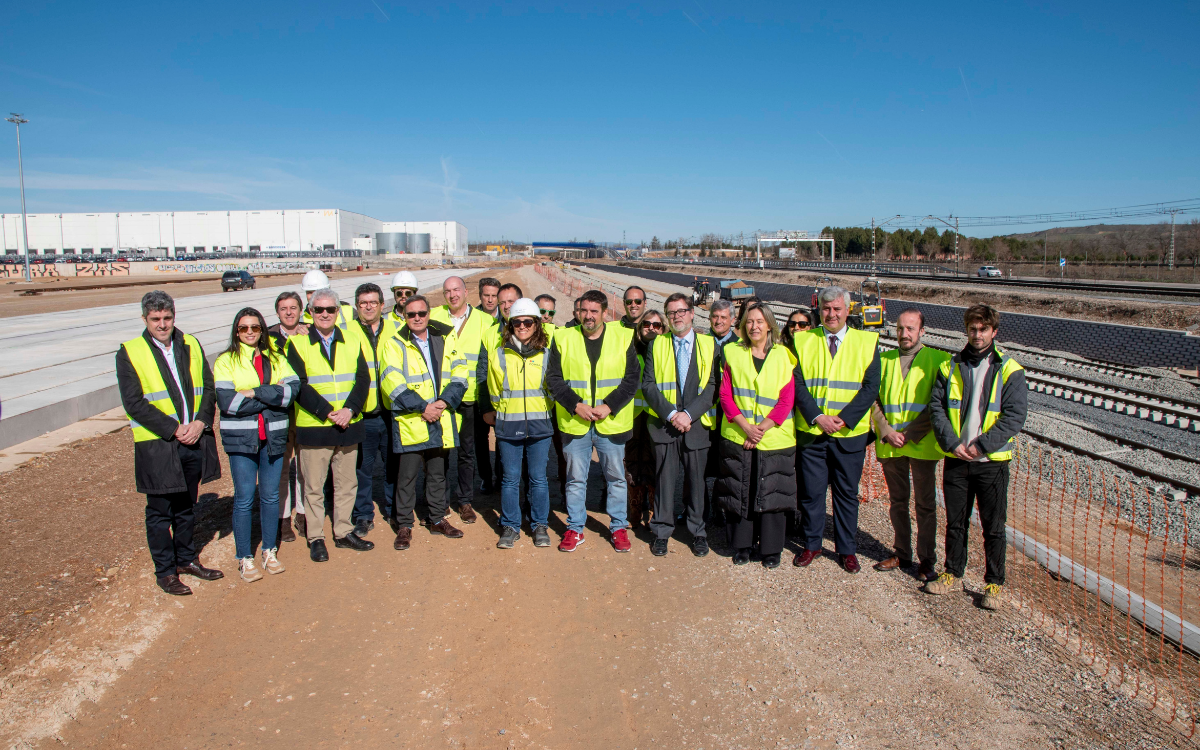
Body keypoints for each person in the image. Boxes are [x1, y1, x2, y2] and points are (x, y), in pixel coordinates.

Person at [116, 290, 222, 596]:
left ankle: (187, 559)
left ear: (174, 315)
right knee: (160, 513)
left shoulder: (190, 343)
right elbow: (134, 403)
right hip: (160, 445)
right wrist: (175, 429)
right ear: (145, 319)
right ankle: (165, 571)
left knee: (187, 507)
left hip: (193, 439)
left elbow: (208, 388)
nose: (163, 325)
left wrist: (201, 422)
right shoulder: (130, 352)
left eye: (167, 318)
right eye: (156, 319)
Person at [926, 304, 1027, 610]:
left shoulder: (1010, 370)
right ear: (966, 330)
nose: (977, 334)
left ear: (994, 332)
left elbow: (1014, 416)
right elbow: (937, 409)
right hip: (957, 458)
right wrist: (953, 442)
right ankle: (953, 573)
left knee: (993, 526)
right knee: (956, 522)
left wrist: (981, 446)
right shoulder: (950, 367)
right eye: (973, 328)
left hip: (991, 464)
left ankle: (994, 583)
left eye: (983, 329)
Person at [792, 286, 881, 574]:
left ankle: (847, 549)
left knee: (846, 494)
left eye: (837, 309)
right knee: (812, 494)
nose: (831, 314)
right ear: (820, 310)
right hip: (813, 431)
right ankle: (812, 544)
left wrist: (844, 418)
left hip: (849, 435)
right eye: (826, 309)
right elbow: (797, 384)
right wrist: (818, 417)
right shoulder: (803, 340)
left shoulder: (867, 342)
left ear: (847, 310)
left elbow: (870, 388)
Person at [545, 289, 640, 552]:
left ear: (605, 313)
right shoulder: (564, 338)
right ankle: (575, 528)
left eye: (594, 311)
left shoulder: (622, 337)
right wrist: (575, 405)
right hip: (577, 422)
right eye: (584, 311)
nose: (588, 316)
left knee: (616, 478)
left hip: (610, 423)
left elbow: (632, 378)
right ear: (578, 312)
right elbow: (553, 379)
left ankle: (618, 526)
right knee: (576, 479)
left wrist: (609, 406)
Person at [285, 287, 374, 561]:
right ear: (310, 313)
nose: (325, 314)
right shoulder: (297, 344)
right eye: (319, 310)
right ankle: (316, 537)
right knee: (313, 486)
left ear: (338, 312)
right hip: (315, 428)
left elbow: (363, 379)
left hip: (348, 425)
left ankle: (343, 531)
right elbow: (298, 385)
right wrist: (327, 412)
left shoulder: (352, 340)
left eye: (330, 309)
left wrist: (350, 409)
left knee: (347, 484)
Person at [214, 307, 298, 581]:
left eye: (255, 327)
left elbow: (290, 392)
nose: (249, 332)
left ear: (262, 330)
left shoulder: (275, 357)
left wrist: (255, 392)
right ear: (236, 331)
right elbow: (229, 402)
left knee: (271, 496)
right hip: (242, 440)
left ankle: (269, 550)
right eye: (243, 328)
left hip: (272, 436)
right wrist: (270, 398)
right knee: (244, 497)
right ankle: (244, 557)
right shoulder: (225, 361)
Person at [379, 294, 469, 550]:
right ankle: (404, 525)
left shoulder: (444, 337)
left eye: (421, 313)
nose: (417, 318)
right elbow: (392, 383)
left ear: (429, 314)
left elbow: (460, 372)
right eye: (411, 314)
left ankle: (437, 518)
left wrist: (443, 402)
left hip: (440, 417)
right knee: (406, 477)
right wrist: (424, 407)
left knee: (437, 474)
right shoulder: (394, 343)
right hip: (412, 422)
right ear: (404, 316)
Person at [713, 303, 797, 568]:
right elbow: (725, 395)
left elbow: (786, 399)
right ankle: (742, 545)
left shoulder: (784, 355)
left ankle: (772, 550)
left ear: (769, 325)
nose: (754, 327)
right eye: (749, 322)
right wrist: (746, 427)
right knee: (741, 491)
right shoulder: (732, 353)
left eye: (760, 321)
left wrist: (761, 428)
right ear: (743, 326)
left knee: (773, 493)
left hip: (774, 437)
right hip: (739, 435)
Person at [871, 309, 949, 581]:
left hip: (922, 445)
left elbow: (940, 403)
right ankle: (902, 552)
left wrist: (913, 432)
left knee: (925, 505)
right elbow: (873, 400)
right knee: (897, 502)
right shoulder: (884, 360)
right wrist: (886, 430)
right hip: (891, 444)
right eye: (900, 328)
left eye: (911, 329)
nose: (904, 334)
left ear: (922, 331)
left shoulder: (939, 361)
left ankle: (927, 559)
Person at [640, 294, 716, 557]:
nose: (677, 316)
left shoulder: (709, 345)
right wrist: (672, 414)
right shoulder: (657, 345)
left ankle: (698, 531)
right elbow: (648, 385)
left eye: (681, 311)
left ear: (692, 313)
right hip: (665, 425)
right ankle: (661, 531)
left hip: (696, 426)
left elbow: (713, 387)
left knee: (697, 482)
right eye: (671, 313)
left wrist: (689, 414)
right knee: (664, 480)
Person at [481, 298, 555, 549]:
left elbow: (552, 390)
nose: (522, 326)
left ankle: (539, 525)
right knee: (510, 479)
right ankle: (511, 526)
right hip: (509, 427)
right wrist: (502, 415)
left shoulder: (546, 355)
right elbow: (493, 391)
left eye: (527, 322)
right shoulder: (499, 355)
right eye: (517, 322)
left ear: (537, 324)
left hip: (539, 427)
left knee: (538, 479)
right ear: (510, 324)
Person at [430, 275, 492, 522]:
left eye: (457, 289)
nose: (452, 295)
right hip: (443, 398)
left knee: (467, 453)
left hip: (470, 398)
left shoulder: (484, 321)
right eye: (447, 291)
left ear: (466, 292)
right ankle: (441, 500)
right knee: (440, 452)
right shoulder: (434, 317)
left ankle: (465, 501)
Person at [349, 282, 400, 536]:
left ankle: (394, 511)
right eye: (363, 303)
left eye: (373, 302)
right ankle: (363, 515)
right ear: (357, 306)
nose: (368, 307)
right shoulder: (346, 331)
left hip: (392, 411)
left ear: (382, 304)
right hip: (363, 413)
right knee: (363, 469)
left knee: (394, 465)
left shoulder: (397, 328)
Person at [268, 291, 308, 543]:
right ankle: (283, 519)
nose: (289, 312)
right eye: (284, 308)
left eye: (294, 308)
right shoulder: (267, 339)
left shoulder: (310, 334)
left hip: (304, 410)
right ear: (278, 312)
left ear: (301, 310)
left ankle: (302, 514)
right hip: (280, 411)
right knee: (282, 467)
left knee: (305, 466)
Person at [625, 310, 665, 526]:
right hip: (632, 415)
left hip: (655, 415)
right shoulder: (630, 349)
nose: (651, 328)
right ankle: (634, 508)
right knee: (632, 462)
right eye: (647, 324)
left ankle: (651, 510)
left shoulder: (666, 351)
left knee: (653, 461)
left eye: (657, 325)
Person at [705, 299, 738, 515]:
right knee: (700, 465)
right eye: (715, 317)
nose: (718, 321)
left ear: (732, 320)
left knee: (725, 464)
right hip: (704, 413)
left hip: (729, 415)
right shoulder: (700, 342)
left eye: (723, 317)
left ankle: (721, 508)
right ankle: (698, 509)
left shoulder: (740, 346)